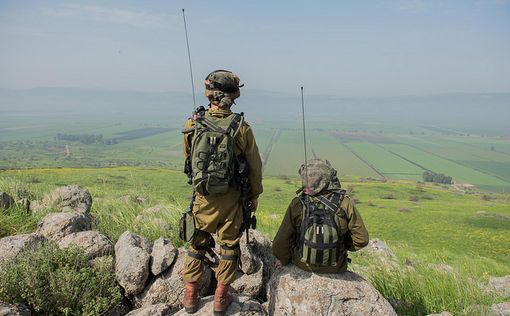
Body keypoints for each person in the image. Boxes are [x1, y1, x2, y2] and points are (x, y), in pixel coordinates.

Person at [181, 70, 263, 315]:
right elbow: (254, 166)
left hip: (203, 196)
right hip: (231, 199)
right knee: (228, 246)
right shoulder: (241, 127)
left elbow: (188, 159)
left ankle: (190, 296)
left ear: (209, 94)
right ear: (233, 96)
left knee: (197, 242)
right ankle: (219, 298)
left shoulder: (193, 122)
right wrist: (254, 195)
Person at [272, 159, 369, 273]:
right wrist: (338, 245)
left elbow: (281, 242)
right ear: (328, 178)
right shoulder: (345, 203)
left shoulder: (298, 204)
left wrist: (284, 259)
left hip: (303, 265)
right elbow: (362, 239)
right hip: (336, 267)